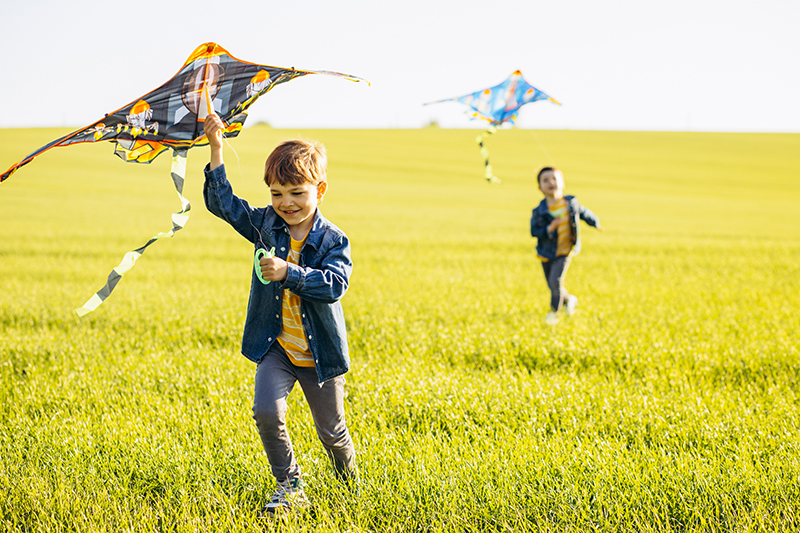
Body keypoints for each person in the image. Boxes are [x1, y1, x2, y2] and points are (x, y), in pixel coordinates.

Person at [202, 114, 357, 515]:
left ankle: (349, 486)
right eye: (276, 193)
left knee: (332, 433)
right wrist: (217, 147)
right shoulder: (266, 225)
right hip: (278, 346)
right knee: (267, 412)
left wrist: (291, 272)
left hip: (319, 354)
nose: (285, 202)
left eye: (296, 192)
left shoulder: (333, 239)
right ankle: (290, 486)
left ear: (319, 190)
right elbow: (223, 204)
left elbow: (334, 285)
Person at [530, 167, 602, 325]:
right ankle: (569, 300)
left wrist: (595, 223)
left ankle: (553, 313)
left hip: (566, 249)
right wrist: (549, 229)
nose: (551, 182)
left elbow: (584, 213)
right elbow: (534, 231)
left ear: (563, 183)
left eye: (554, 179)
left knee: (556, 281)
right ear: (540, 188)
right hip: (546, 252)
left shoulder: (570, 204)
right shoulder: (539, 211)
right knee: (552, 285)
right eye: (545, 180)